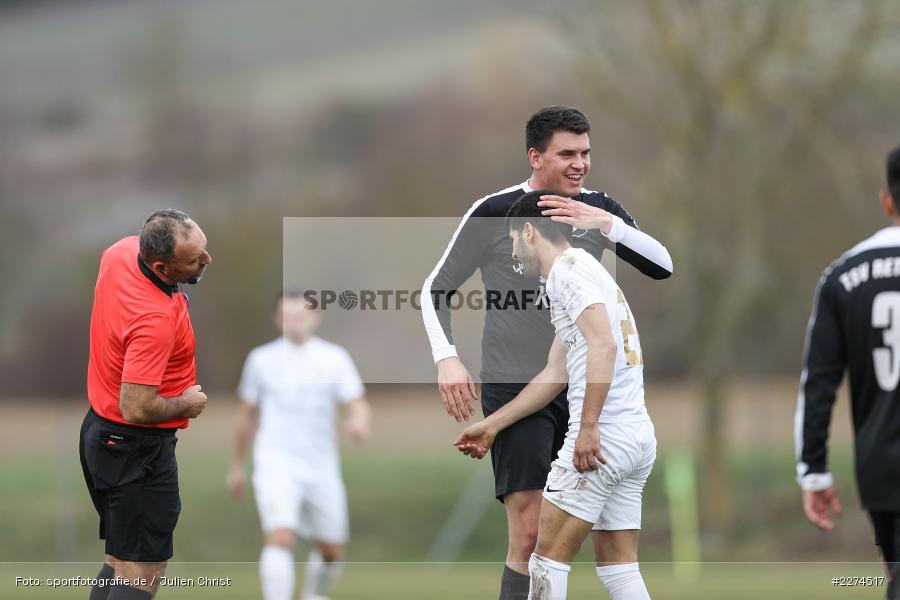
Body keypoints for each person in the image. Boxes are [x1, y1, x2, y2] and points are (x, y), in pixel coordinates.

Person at [421, 105, 671, 598]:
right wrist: (446, 357)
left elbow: (662, 266)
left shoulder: (597, 209)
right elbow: (435, 288)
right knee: (534, 534)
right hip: (515, 384)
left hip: (583, 390)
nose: (580, 164)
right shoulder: (497, 212)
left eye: (586, 153)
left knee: (598, 549)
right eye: (567, 154)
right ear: (536, 157)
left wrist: (606, 224)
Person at [456, 191, 655, 600]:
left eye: (513, 239)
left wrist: (587, 429)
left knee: (545, 563)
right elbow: (555, 374)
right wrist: (492, 425)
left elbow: (603, 345)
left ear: (528, 231)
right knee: (620, 570)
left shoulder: (568, 272)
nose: (513, 251)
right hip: (636, 437)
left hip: (604, 441)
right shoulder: (583, 272)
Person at [79, 209, 212, 600]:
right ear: (161, 266)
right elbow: (136, 406)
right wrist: (184, 403)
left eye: (204, 249)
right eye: (193, 259)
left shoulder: (120, 252)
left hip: (101, 435)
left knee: (122, 561)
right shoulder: (152, 319)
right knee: (143, 571)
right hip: (135, 447)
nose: (206, 260)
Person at [795, 144, 900, 600]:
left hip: (882, 466)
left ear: (887, 200)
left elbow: (818, 382)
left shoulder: (842, 275)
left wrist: (814, 470)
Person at [228, 290, 371, 600]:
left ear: (315, 318)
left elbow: (356, 402)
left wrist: (358, 422)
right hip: (275, 462)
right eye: (288, 317)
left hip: (321, 465)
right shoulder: (261, 360)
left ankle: (313, 595)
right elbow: (246, 417)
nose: (295, 323)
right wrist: (237, 465)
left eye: (301, 316)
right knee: (280, 536)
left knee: (331, 550)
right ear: (277, 319)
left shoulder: (335, 358)